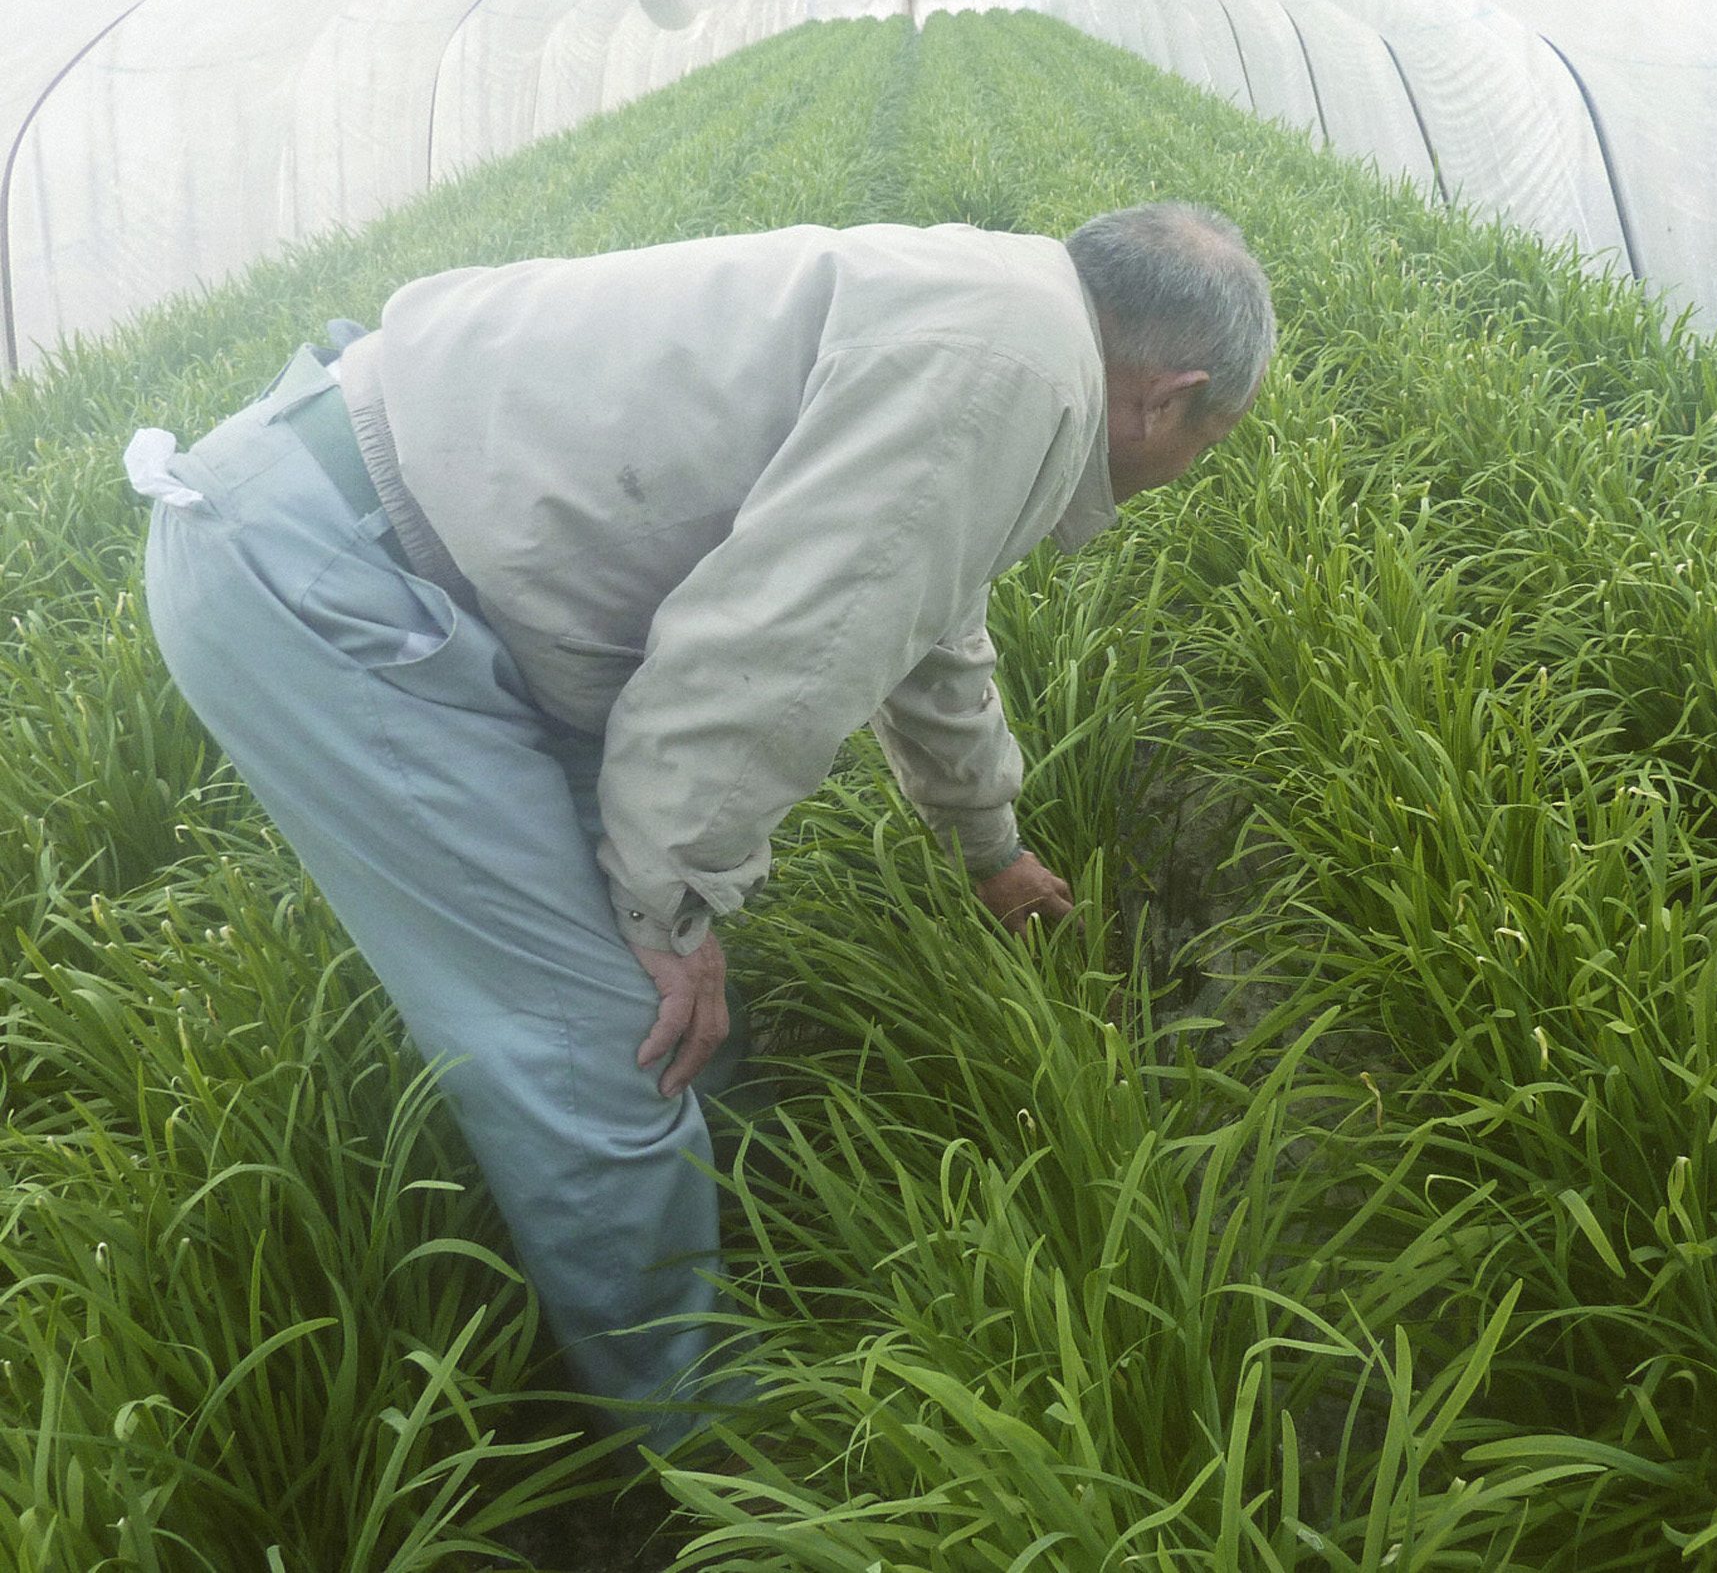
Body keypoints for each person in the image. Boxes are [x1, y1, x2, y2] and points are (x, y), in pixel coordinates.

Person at [131, 201, 1275, 1455]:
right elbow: (770, 656)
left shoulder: (1003, 313)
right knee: (606, 1036)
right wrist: (667, 901)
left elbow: (921, 612)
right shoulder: (1009, 371)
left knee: (664, 1004)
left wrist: (988, 844)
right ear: (1171, 395)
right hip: (336, 587)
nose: (1186, 471)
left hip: (406, 540)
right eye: (1208, 444)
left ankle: (738, 1233)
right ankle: (708, 1441)